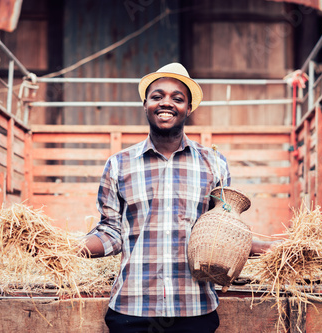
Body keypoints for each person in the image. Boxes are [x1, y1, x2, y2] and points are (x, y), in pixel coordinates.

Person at [80, 63, 272, 332]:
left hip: (194, 310)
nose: (166, 103)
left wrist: (271, 249)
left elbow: (223, 230)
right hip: (132, 310)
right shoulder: (118, 165)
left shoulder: (214, 164)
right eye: (157, 96)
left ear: (188, 108)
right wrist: (67, 248)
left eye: (177, 98)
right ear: (145, 104)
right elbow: (111, 232)